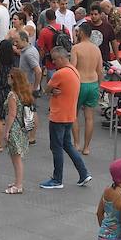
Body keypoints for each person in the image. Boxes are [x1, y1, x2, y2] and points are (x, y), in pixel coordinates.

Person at [40, 48, 91, 189]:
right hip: (69, 115)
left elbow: (46, 89)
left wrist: (51, 91)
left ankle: (57, 179)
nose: (53, 62)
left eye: (55, 59)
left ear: (61, 59)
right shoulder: (74, 71)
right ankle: (83, 173)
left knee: (56, 148)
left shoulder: (60, 73)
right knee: (67, 145)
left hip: (58, 116)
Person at [72, 22, 103, 156]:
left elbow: (73, 68)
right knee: (89, 118)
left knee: (74, 115)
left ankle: (76, 143)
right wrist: (99, 86)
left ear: (82, 33)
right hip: (93, 83)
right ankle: (86, 147)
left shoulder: (76, 48)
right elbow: (100, 70)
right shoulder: (96, 49)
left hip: (80, 83)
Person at [0, 69, 33, 195]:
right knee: (17, 157)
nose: (8, 78)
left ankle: (18, 185)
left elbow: (12, 114)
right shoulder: (24, 93)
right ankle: (17, 182)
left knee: (16, 159)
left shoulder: (12, 95)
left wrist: (6, 131)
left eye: (10, 76)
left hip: (14, 128)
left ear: (14, 79)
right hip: (22, 128)